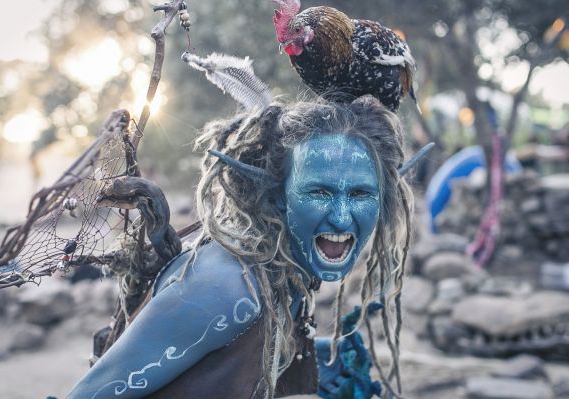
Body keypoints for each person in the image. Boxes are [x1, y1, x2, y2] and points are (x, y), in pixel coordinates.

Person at [67, 95, 414, 399]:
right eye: (319, 192)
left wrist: (317, 360)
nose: (341, 218)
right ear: (278, 196)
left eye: (360, 194)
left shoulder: (282, 269)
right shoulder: (230, 290)